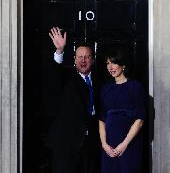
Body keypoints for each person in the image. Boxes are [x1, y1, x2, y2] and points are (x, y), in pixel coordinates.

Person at [46, 26, 100, 173]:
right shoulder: (67, 77)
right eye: (79, 57)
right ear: (74, 59)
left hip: (90, 145)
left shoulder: (100, 80)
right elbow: (54, 75)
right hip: (66, 144)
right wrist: (59, 51)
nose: (83, 60)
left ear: (93, 60)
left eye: (87, 57)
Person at [99, 47, 146, 173]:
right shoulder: (105, 89)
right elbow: (102, 119)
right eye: (108, 63)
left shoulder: (136, 87)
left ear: (123, 65)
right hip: (109, 145)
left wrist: (124, 144)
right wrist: (104, 144)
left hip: (130, 144)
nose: (110, 67)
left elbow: (140, 119)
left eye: (114, 62)